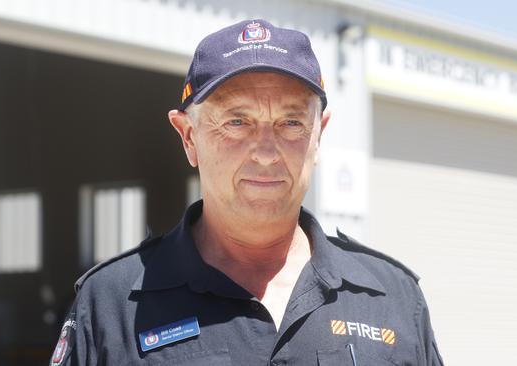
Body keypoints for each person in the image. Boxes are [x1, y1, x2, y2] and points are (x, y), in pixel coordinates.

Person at [50, 19, 444, 366]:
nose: (267, 151)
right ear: (189, 137)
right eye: (237, 121)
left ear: (319, 134)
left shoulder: (391, 298)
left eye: (291, 122)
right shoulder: (111, 305)